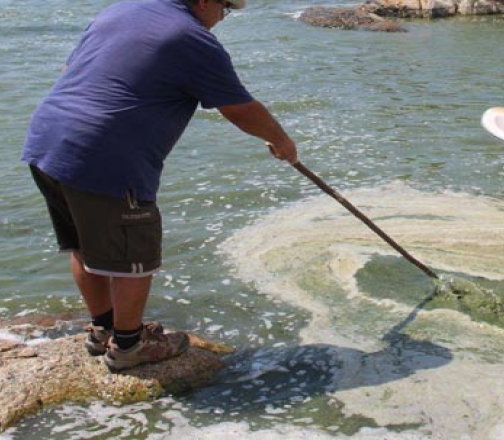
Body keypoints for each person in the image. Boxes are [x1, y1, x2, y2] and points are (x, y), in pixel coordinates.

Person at [21, 0, 297, 371]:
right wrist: (282, 142)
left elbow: (71, 69)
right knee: (135, 257)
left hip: (47, 141)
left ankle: (103, 330)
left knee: (84, 245)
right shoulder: (192, 38)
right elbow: (239, 107)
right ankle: (129, 347)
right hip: (104, 155)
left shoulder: (120, 12)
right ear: (203, 1)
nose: (222, 18)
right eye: (225, 9)